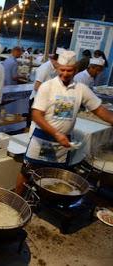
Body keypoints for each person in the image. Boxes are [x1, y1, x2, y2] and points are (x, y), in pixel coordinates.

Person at [15, 50, 113, 195]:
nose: (65, 73)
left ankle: (44, 201)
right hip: (42, 139)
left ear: (76, 70)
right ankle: (18, 199)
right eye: (62, 70)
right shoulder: (47, 87)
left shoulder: (81, 89)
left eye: (70, 70)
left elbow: (99, 110)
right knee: (27, 172)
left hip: (62, 144)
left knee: (54, 177)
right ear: (57, 68)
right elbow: (36, 115)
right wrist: (56, 133)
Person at [25, 50, 61, 131]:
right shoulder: (45, 68)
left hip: (47, 100)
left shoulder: (56, 68)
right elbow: (36, 87)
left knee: (42, 123)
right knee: (31, 122)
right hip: (36, 99)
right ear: (54, 60)